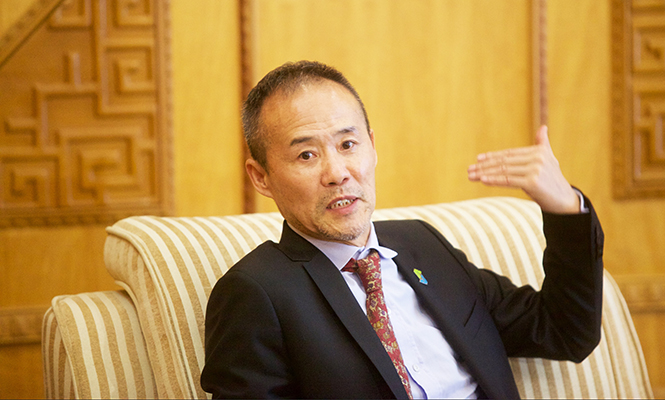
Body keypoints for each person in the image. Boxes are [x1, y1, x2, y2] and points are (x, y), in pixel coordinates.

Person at [201, 60, 604, 399]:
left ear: (372, 146)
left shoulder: (422, 244)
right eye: (306, 155)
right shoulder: (256, 292)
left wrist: (565, 208)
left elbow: (563, 331)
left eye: (348, 145)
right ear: (261, 177)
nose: (337, 173)